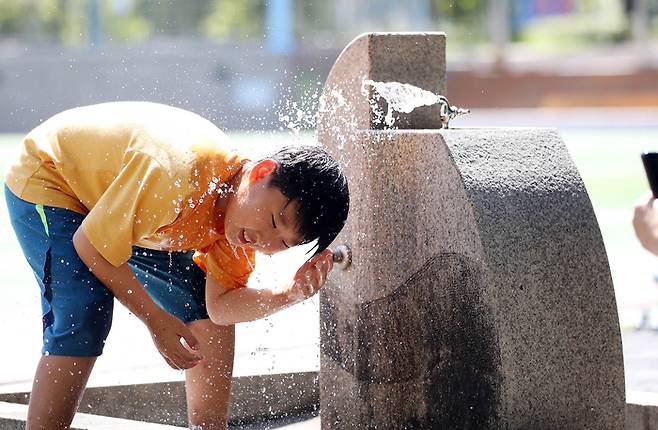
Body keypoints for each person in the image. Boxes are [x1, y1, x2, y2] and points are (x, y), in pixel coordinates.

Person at [3, 101, 349, 429]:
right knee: (84, 313)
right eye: (274, 221)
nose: (265, 242)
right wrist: (156, 320)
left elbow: (220, 309)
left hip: (122, 210)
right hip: (51, 179)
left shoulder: (243, 226)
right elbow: (90, 246)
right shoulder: (177, 177)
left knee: (198, 301)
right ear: (261, 173)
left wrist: (288, 294)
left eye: (285, 244)